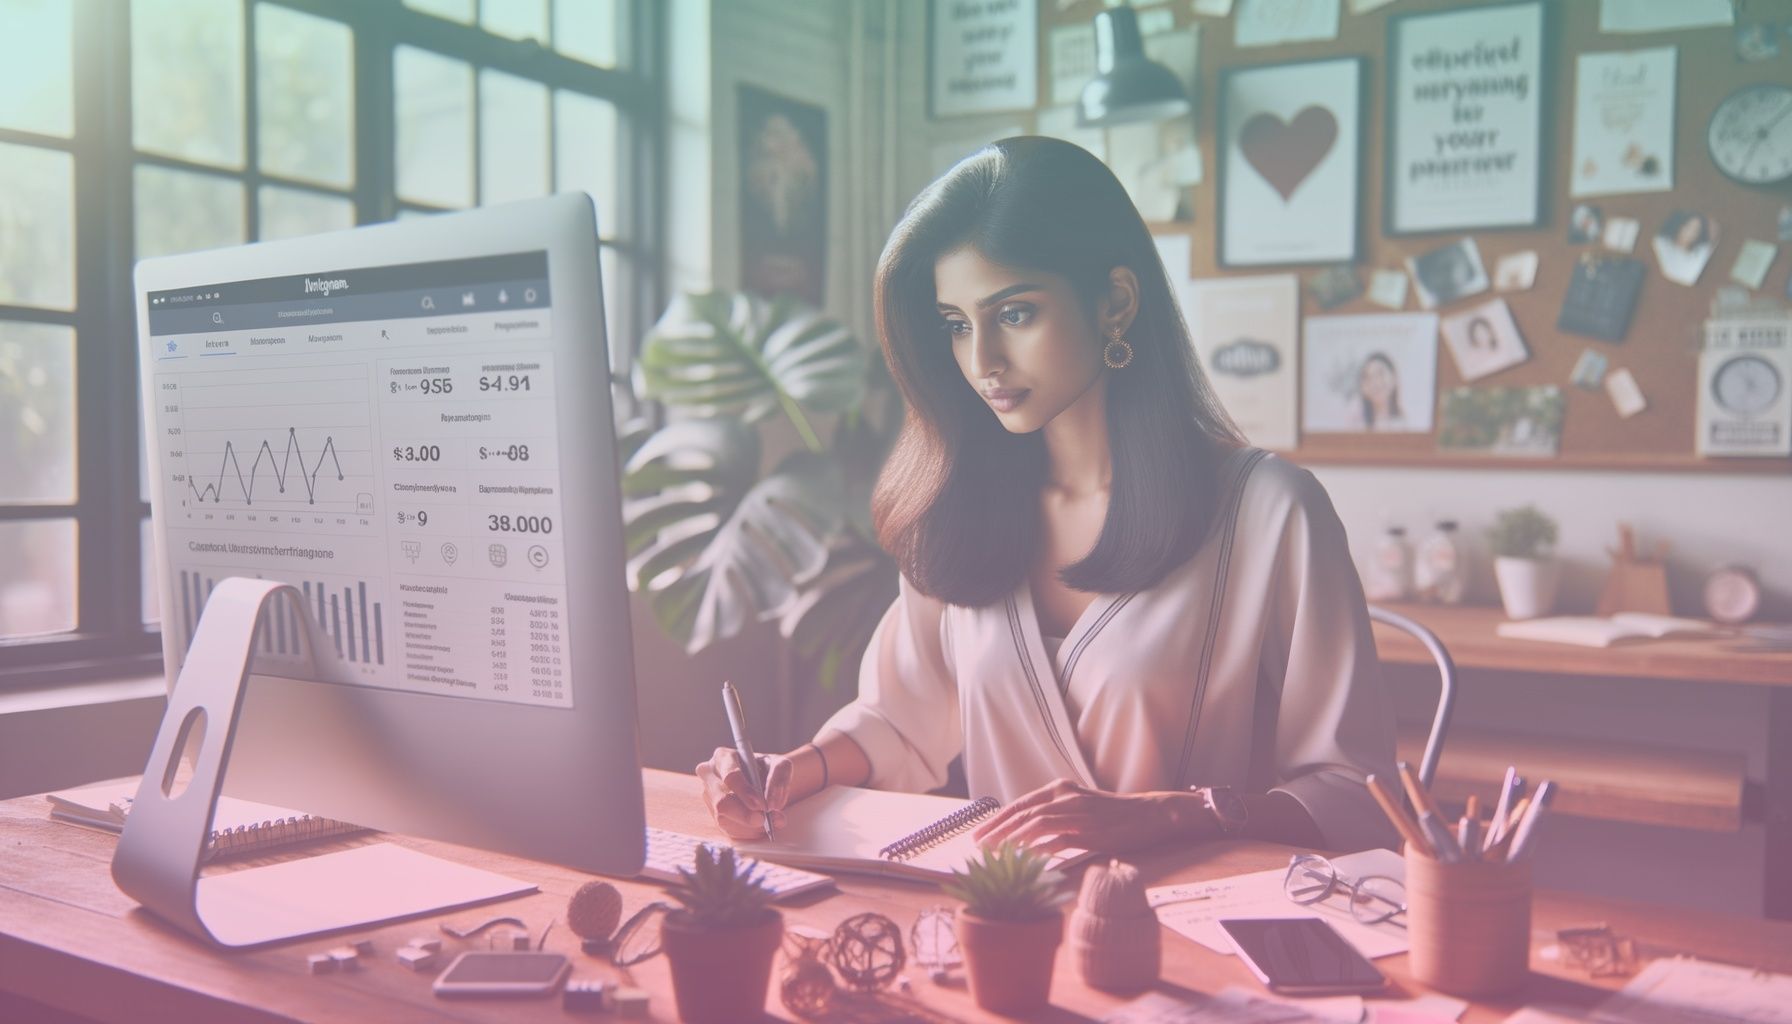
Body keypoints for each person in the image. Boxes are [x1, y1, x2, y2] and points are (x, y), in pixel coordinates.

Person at [697, 137, 1396, 856]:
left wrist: (1170, 815)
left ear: (1116, 303)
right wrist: (790, 771)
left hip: (1187, 932)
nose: (982, 361)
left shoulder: (1270, 513)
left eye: (1016, 314)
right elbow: (898, 722)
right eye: (957, 325)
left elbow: (1356, 795)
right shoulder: (957, 506)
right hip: (1003, 926)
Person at [1351, 352, 1405, 432]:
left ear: (1394, 378)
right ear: (1362, 387)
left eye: (1380, 374)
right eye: (1368, 377)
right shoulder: (1356, 425)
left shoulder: (1404, 423)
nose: (1375, 383)